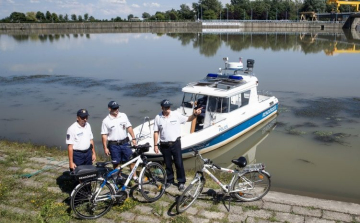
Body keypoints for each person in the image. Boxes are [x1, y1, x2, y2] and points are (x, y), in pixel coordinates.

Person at [153, 99, 202, 191]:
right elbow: (156, 132)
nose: (168, 109)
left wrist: (195, 114)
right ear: (162, 108)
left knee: (179, 163)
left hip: (175, 143)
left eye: (169, 107)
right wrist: (155, 145)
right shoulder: (158, 117)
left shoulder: (176, 114)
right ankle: (170, 180)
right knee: (167, 164)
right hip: (164, 144)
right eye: (166, 107)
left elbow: (188, 119)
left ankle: (181, 182)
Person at [101, 101, 138, 181]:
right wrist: (105, 147)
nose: (117, 109)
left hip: (125, 143)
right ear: (109, 109)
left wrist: (133, 138)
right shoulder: (106, 121)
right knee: (116, 163)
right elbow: (104, 135)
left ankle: (134, 177)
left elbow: (129, 127)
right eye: (114, 108)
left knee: (131, 160)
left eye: (117, 107)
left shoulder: (123, 115)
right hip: (113, 145)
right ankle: (119, 177)